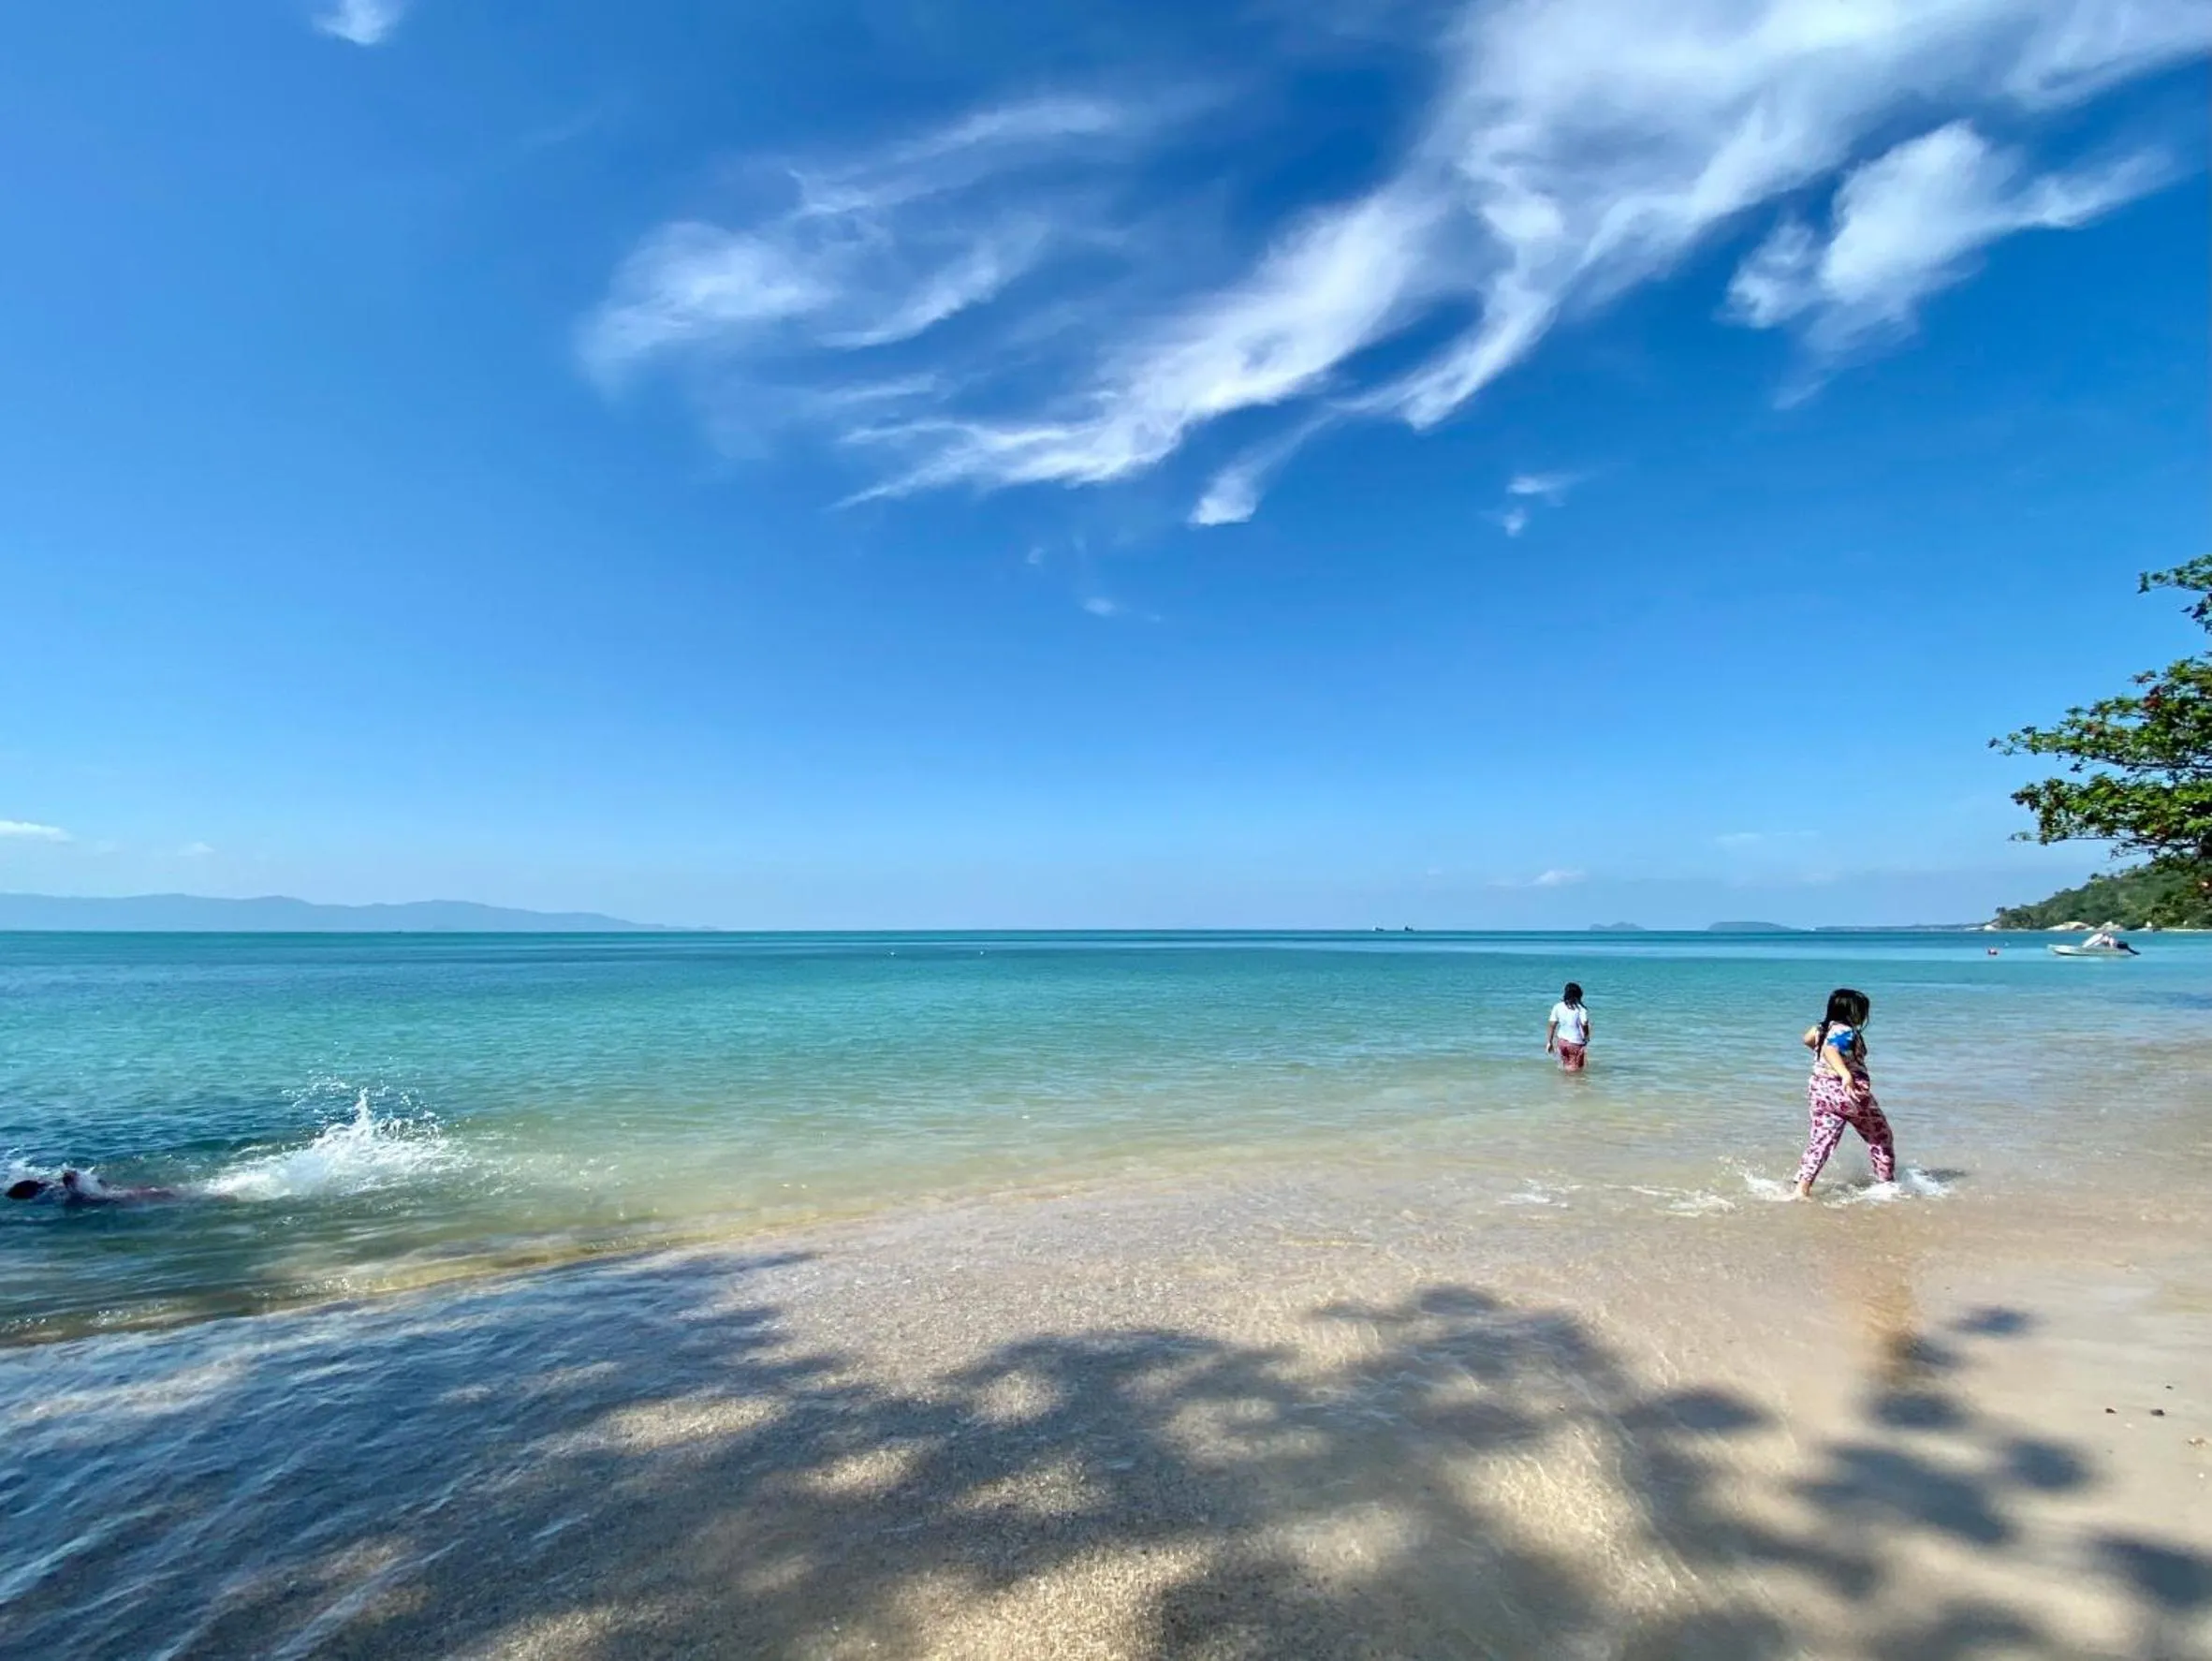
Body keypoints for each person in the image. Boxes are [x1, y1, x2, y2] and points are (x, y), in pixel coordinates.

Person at [1793, 988, 1897, 1198]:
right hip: (1848, 1094)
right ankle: (1886, 1184)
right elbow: (1831, 1050)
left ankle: (1802, 1187)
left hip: (1820, 1090)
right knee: (1880, 1136)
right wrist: (1845, 1074)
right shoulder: (1846, 1032)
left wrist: (1829, 1061)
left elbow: (1807, 1040)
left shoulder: (1821, 1028)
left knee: (1820, 1141)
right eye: (1861, 1011)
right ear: (1851, 1013)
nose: (1864, 1016)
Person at [1545, 982, 1591, 1071]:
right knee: (1576, 1070)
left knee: (1566, 1065)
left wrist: (1549, 1042)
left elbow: (1552, 1025)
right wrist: (1586, 1036)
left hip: (1561, 1041)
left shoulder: (1558, 1006)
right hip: (1576, 1042)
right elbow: (1584, 1023)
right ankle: (1572, 1084)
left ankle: (1564, 1083)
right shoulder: (1580, 1009)